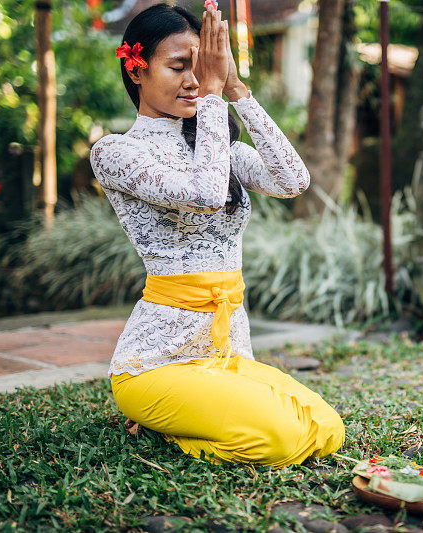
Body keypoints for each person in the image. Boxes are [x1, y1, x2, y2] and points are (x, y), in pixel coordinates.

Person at [89, 2, 345, 469]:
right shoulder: (117, 151)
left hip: (225, 352)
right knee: (282, 441)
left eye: (202, 66)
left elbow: (293, 180)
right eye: (179, 66)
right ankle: (159, 425)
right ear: (137, 69)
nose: (193, 80)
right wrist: (211, 96)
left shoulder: (216, 146)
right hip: (155, 363)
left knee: (327, 428)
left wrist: (236, 90)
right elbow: (206, 194)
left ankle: (178, 418)